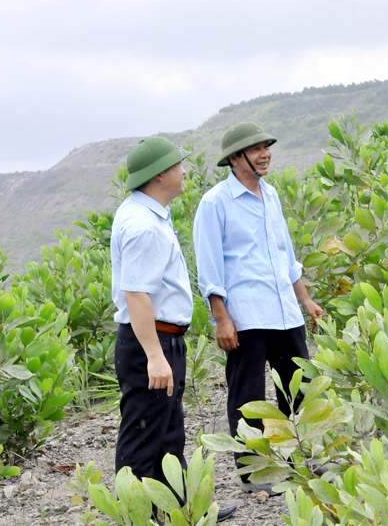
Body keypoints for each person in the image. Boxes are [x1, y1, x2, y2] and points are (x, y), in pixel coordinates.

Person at [110, 136, 236, 522]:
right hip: (151, 340)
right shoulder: (143, 226)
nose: (184, 171)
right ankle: (137, 516)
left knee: (167, 432)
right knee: (143, 432)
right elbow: (136, 296)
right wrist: (154, 357)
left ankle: (177, 511)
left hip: (164, 338)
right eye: (178, 166)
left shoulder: (147, 215)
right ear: (161, 174)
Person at [193, 121, 323, 493]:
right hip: (246, 315)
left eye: (267, 147)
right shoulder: (215, 202)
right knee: (248, 397)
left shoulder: (271, 194)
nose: (265, 154)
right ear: (235, 158)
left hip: (284, 310)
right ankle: (254, 473)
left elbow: (286, 253)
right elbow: (210, 265)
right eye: (256, 149)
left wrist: (306, 299)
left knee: (298, 388)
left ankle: (297, 462)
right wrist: (221, 318)